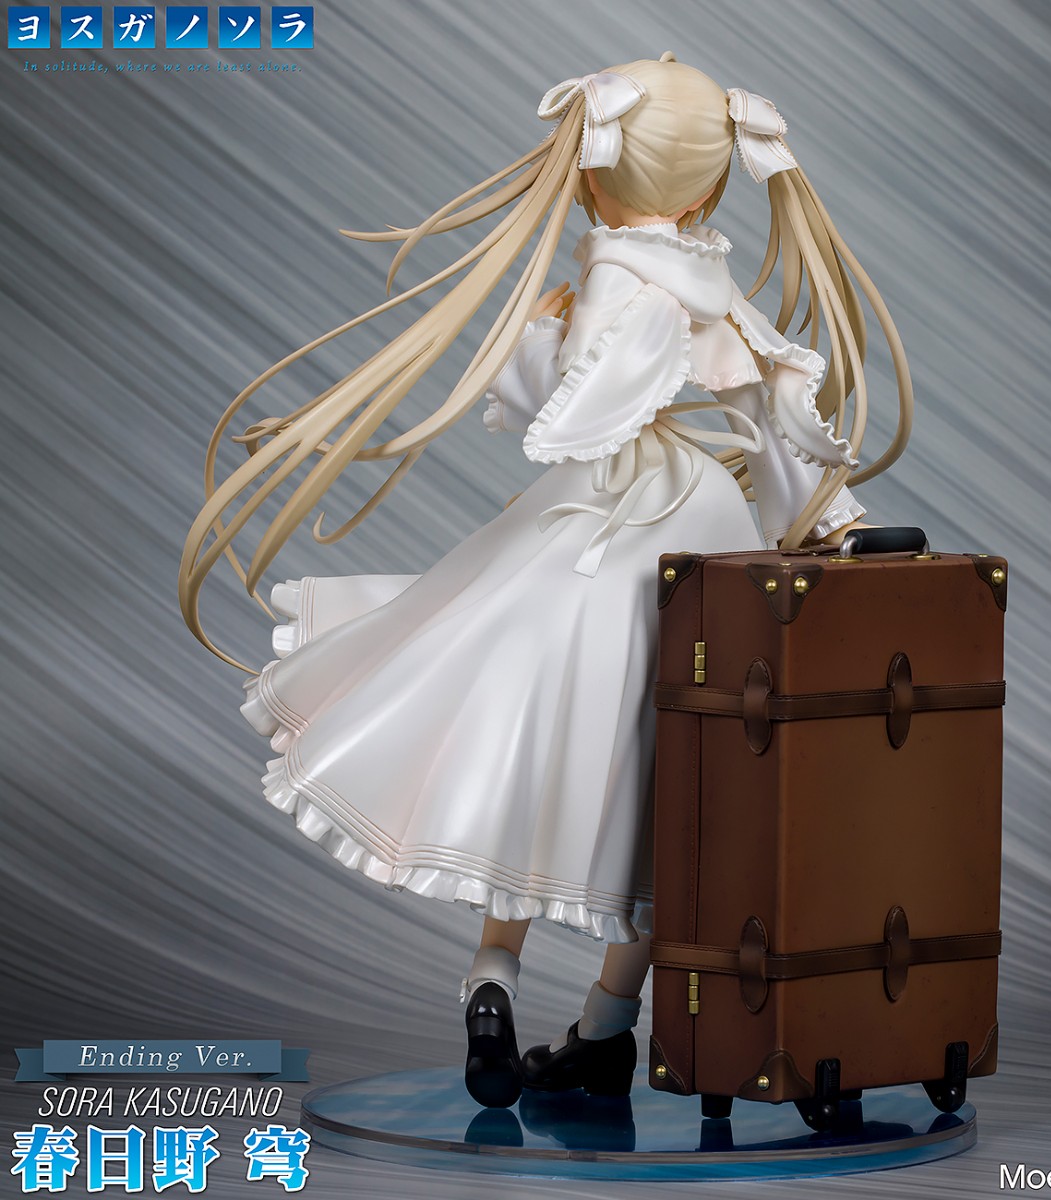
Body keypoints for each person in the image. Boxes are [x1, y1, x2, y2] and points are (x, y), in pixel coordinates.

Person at [179, 54, 913, 1109]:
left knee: (526, 748)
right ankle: (607, 1025)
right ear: (709, 188)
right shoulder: (710, 280)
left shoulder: (613, 270)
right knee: (679, 790)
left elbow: (562, 408)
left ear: (593, 174)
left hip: (591, 526)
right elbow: (772, 415)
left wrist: (544, 334)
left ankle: (494, 983)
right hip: (696, 533)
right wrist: (830, 522)